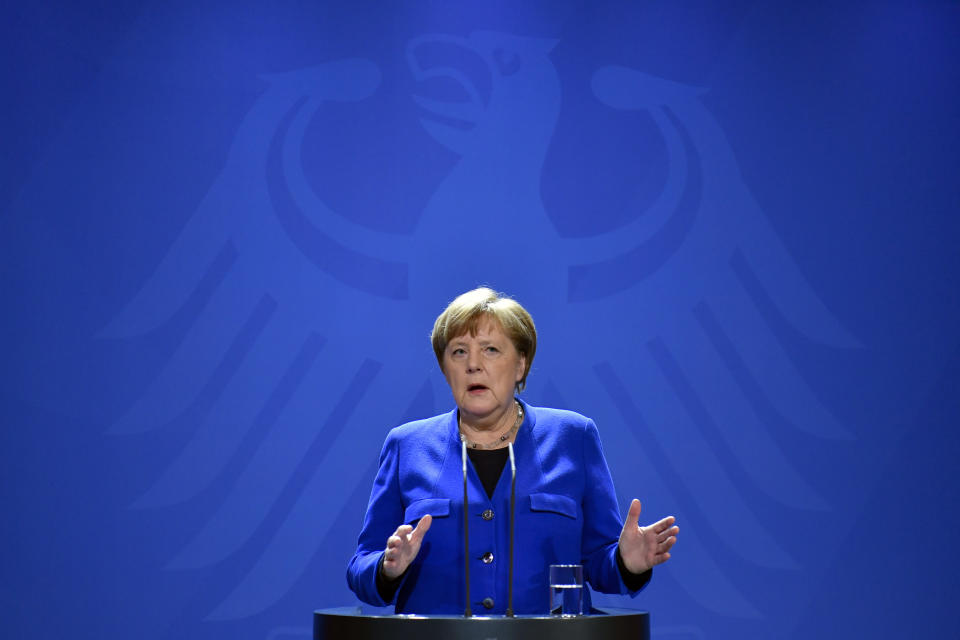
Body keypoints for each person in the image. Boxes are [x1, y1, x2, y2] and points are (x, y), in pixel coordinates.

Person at [346, 287, 678, 615]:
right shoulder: (407, 445)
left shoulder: (574, 437)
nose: (473, 364)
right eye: (458, 351)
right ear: (445, 369)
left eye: (490, 349)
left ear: (521, 365)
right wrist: (388, 568)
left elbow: (599, 563)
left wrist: (626, 562)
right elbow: (361, 567)